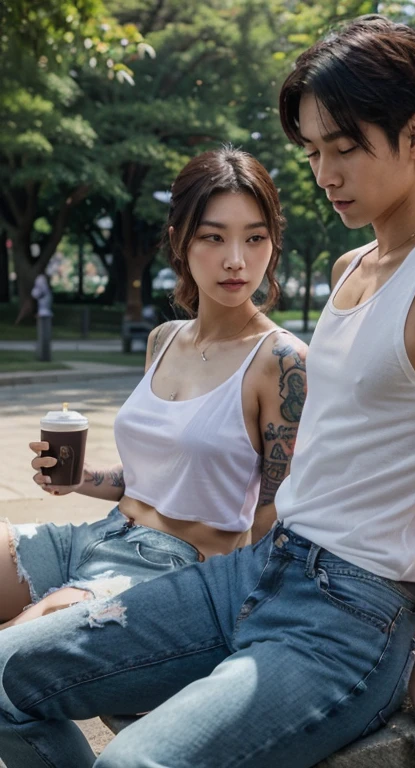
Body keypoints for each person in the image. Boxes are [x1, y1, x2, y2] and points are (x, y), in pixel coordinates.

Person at [1, 15, 415, 768]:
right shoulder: (351, 268)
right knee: (7, 675)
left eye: (344, 147)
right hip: (260, 567)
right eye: (311, 151)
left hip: (351, 614)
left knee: (131, 763)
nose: (324, 173)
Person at [0, 147, 307, 629]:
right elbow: (155, 474)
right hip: (99, 536)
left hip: (173, 568)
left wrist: (247, 629)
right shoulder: (164, 340)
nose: (236, 260)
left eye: (255, 238)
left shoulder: (281, 360)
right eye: (213, 237)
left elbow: (275, 514)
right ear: (179, 241)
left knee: (16, 646)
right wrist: (79, 477)